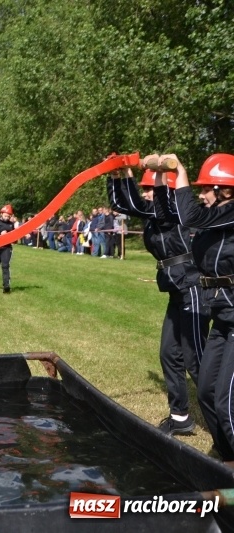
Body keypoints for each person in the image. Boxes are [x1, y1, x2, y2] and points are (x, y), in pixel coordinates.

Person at [109, 166, 209, 436]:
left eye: (150, 189)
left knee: (197, 361)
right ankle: (181, 418)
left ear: (169, 191)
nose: (146, 194)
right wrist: (118, 175)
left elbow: (134, 203)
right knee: (169, 354)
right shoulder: (155, 214)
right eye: (144, 189)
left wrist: (126, 176)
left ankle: (223, 419)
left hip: (194, 288)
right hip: (177, 289)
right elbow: (123, 204)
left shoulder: (173, 211)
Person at [153, 153, 234, 460]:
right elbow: (174, 214)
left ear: (225, 190)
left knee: (226, 401)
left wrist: (181, 171)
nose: (200, 194)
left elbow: (189, 217)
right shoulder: (216, 218)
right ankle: (225, 459)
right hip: (223, 316)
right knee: (205, 391)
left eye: (205, 188)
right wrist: (161, 179)